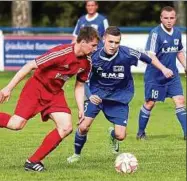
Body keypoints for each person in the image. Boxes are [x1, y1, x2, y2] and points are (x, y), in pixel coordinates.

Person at [67, 26, 173, 163]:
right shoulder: (93, 56)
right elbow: (83, 81)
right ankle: (76, 154)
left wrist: (163, 69)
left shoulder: (127, 53)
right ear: (104, 39)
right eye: (110, 41)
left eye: (117, 42)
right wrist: (90, 94)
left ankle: (112, 135)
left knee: (121, 135)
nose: (113, 45)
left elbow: (147, 58)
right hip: (97, 95)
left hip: (119, 97)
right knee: (83, 127)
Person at [0, 26, 99, 172]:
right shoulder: (61, 52)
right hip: (36, 88)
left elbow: (79, 86)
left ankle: (33, 161)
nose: (95, 49)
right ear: (83, 42)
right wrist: (8, 88)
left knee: (66, 127)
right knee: (16, 124)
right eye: (93, 45)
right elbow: (29, 65)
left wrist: (80, 108)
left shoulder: (87, 63)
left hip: (55, 94)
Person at [136, 6, 186, 140]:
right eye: (166, 18)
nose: (169, 21)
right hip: (155, 76)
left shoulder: (177, 32)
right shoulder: (155, 33)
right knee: (150, 103)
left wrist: (185, 66)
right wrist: (163, 69)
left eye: (171, 18)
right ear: (161, 18)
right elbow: (151, 56)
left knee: (180, 101)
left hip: (172, 76)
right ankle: (140, 133)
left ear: (175, 18)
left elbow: (179, 51)